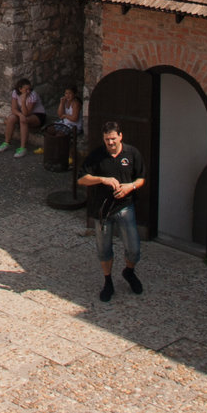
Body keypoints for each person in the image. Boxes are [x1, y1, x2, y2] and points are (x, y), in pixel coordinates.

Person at [77, 121, 145, 302]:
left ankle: (129, 272)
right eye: (107, 139)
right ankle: (108, 281)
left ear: (120, 136)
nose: (111, 143)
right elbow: (82, 179)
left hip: (125, 207)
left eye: (113, 139)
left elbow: (141, 179)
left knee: (134, 248)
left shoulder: (132, 154)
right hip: (103, 210)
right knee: (104, 249)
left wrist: (130, 186)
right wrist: (102, 179)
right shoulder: (97, 156)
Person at [0, 78, 46, 157]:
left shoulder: (33, 95)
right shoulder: (15, 93)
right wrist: (20, 115)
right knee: (11, 118)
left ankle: (22, 148)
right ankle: (6, 142)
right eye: (26, 89)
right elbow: (14, 109)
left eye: (29, 89)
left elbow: (27, 113)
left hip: (37, 115)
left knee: (23, 120)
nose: (28, 91)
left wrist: (23, 101)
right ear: (20, 89)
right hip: (22, 113)